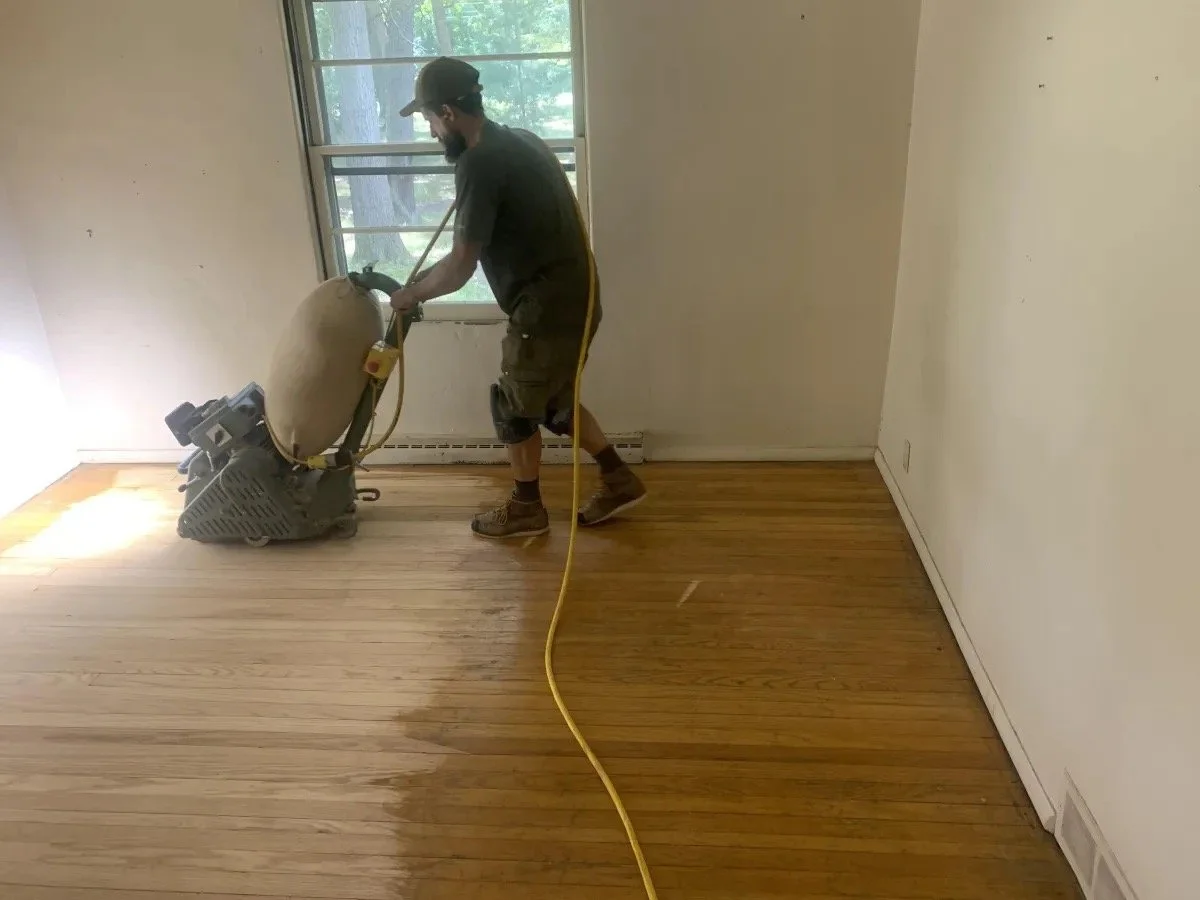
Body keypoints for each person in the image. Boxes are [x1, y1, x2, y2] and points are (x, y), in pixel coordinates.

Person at [388, 57, 646, 540]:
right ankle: (618, 478)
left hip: (545, 307)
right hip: (578, 296)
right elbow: (467, 249)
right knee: (553, 403)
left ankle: (527, 507)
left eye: (428, 119)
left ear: (447, 112)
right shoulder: (520, 139)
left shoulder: (479, 162)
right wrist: (422, 279)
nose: (430, 131)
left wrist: (412, 295)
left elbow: (462, 266)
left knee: (514, 405)